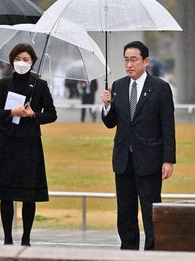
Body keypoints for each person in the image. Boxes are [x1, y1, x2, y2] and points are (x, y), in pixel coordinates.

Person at [100, 41, 176, 250]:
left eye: (133, 60)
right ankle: (128, 251)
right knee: (125, 211)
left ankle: (152, 251)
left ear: (146, 61)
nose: (129, 65)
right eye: (126, 60)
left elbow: (167, 126)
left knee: (150, 210)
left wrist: (168, 160)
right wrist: (107, 106)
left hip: (149, 160)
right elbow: (111, 122)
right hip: (123, 160)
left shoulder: (160, 88)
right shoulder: (118, 86)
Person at [0, 43, 57, 246]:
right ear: (12, 61)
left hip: (29, 144)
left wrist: (33, 114)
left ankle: (26, 237)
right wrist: (12, 113)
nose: (22, 63)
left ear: (33, 62)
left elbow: (52, 114)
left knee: (29, 195)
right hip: (6, 143)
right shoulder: (3, 84)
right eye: (18, 59)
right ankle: (7, 238)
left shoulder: (40, 85)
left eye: (26, 59)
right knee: (5, 195)